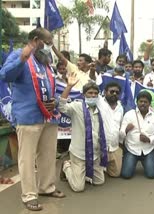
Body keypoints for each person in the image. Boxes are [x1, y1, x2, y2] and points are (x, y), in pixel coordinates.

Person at [0, 27, 65, 211]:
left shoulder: (45, 61)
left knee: (48, 155)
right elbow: (5, 76)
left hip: (49, 117)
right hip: (28, 117)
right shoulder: (19, 55)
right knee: (27, 158)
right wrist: (22, 59)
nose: (50, 46)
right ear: (36, 40)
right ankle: (29, 195)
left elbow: (51, 86)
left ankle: (46, 187)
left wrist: (56, 101)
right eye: (48, 42)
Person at [59, 77, 108, 192]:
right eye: (90, 93)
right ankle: (67, 166)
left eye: (95, 93)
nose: (93, 96)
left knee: (99, 181)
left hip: (94, 154)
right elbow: (61, 107)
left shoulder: (100, 109)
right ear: (84, 95)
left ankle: (83, 171)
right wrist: (69, 86)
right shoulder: (77, 107)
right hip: (79, 153)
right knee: (78, 188)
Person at [120, 91, 154, 179]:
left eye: (145, 102)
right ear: (137, 102)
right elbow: (121, 133)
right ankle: (129, 160)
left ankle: (151, 160)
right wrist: (126, 130)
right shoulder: (129, 114)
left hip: (148, 150)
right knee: (126, 175)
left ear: (149, 103)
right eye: (140, 101)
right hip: (132, 149)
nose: (143, 104)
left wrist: (149, 139)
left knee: (152, 175)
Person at [97, 82, 124, 177]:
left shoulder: (121, 108)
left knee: (116, 174)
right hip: (100, 147)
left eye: (117, 92)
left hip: (114, 146)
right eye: (111, 91)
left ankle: (105, 166)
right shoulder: (99, 102)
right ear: (105, 92)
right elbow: (93, 83)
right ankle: (68, 165)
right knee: (95, 176)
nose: (114, 94)